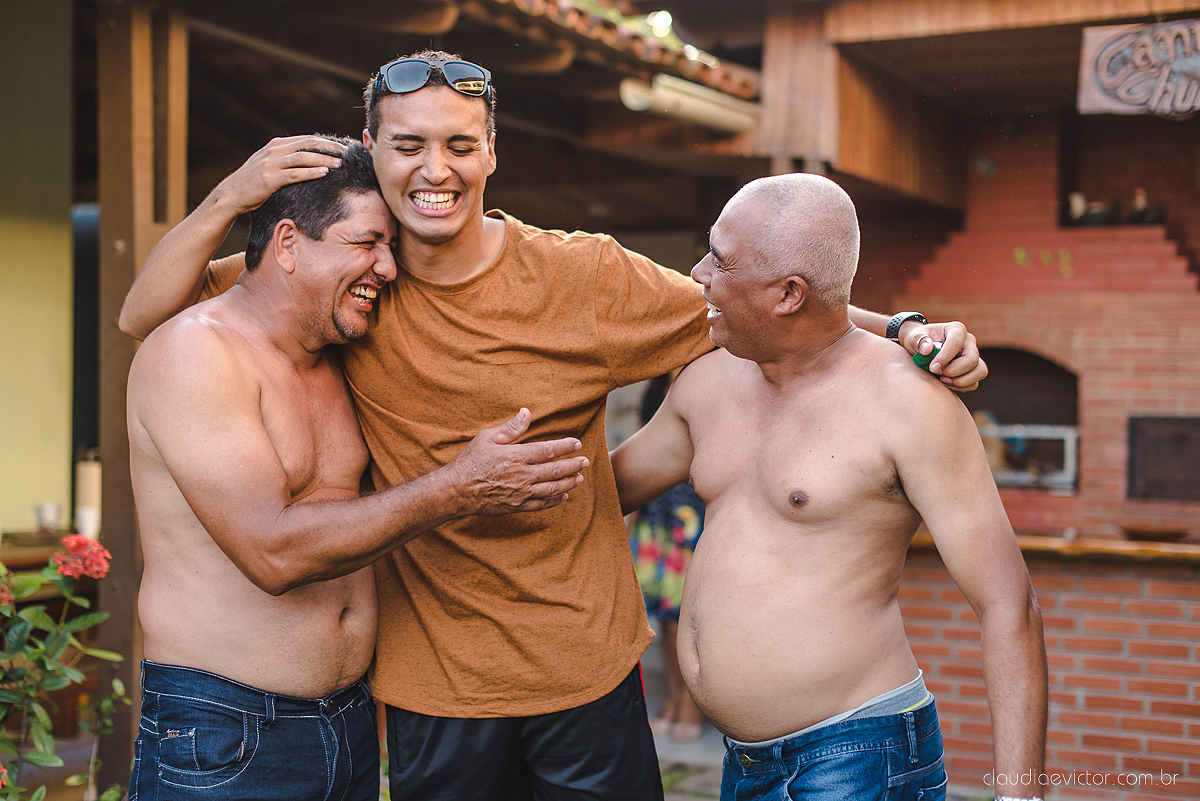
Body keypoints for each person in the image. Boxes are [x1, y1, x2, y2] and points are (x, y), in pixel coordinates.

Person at [118, 51, 989, 801]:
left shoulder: (585, 277)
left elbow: (764, 305)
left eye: (460, 144)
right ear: (374, 155)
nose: (436, 169)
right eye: (410, 145)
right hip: (433, 690)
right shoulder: (352, 279)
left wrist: (908, 330)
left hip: (585, 675)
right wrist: (232, 193)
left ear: (493, 152)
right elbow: (145, 314)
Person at [124, 140, 588, 801]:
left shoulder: (336, 344)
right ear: (286, 245)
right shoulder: (199, 353)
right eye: (368, 241)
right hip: (226, 728)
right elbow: (273, 551)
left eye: (391, 245)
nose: (389, 267)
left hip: (350, 718)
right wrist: (457, 486)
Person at [611, 173, 1047, 801]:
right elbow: (606, 490)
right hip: (744, 765)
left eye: (721, 260)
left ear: (788, 294)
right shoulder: (709, 378)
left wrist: (1020, 797)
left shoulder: (908, 402)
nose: (699, 272)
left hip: (855, 757)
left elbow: (1010, 605)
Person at [628, 374, 707, 741]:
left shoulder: (710, 377)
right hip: (656, 516)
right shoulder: (659, 385)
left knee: (684, 620)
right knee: (662, 616)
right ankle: (674, 700)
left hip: (690, 516)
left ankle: (690, 705)